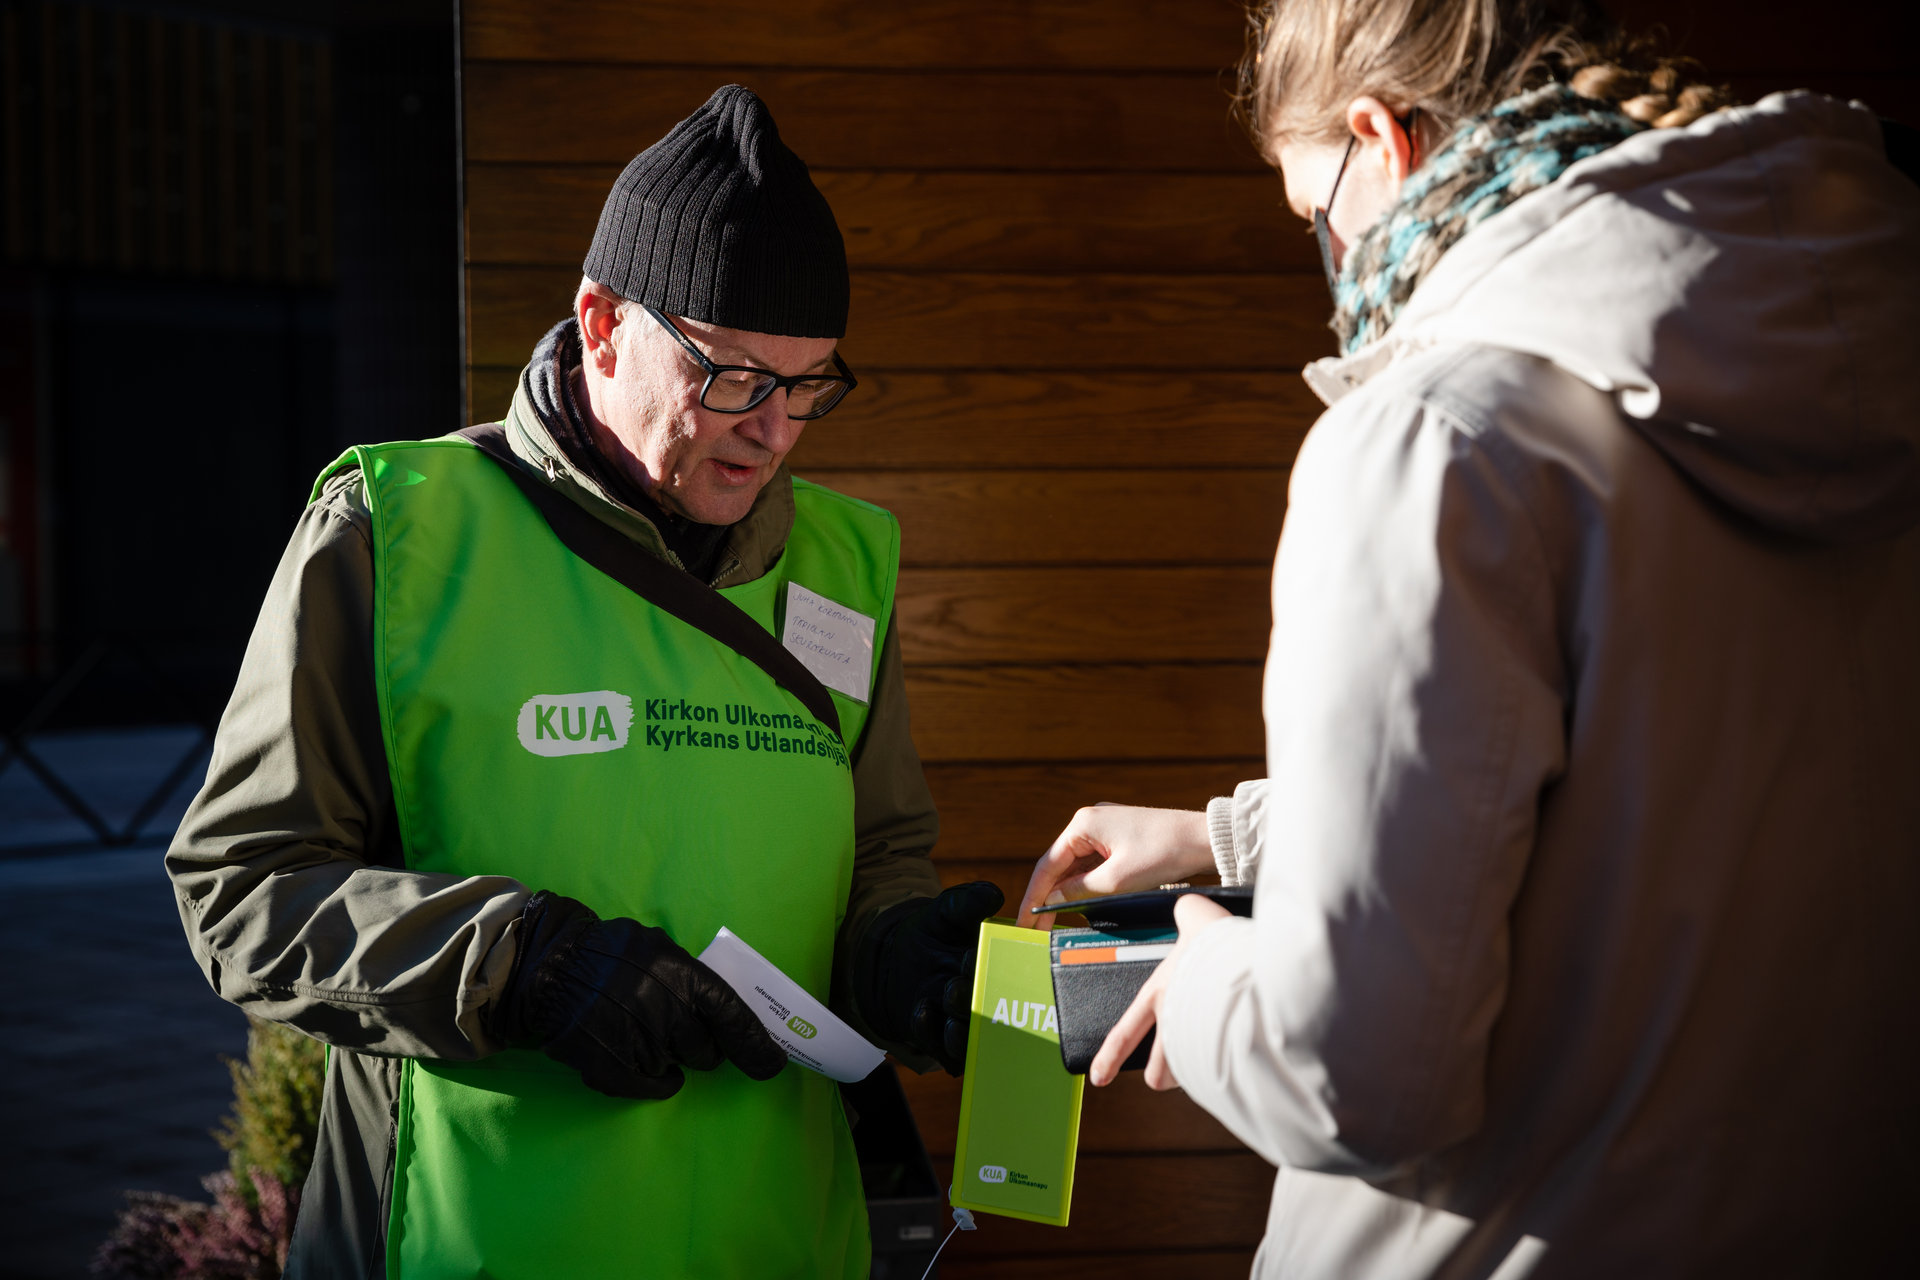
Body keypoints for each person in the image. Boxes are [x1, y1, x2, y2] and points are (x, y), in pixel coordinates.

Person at [1020, 1, 1920, 1275]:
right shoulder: (1864, 377)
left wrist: (1214, 972)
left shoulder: (1433, 443)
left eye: (1310, 216)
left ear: (1383, 138)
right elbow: (1660, 776)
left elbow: (1358, 1078)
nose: (1328, 262)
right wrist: (1231, 838)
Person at [168, 85, 1002, 1279]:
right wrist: (520, 962)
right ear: (603, 322)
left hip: (778, 1234)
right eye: (734, 378)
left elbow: (880, 850)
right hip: (477, 1237)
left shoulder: (844, 566)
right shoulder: (396, 535)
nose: (773, 432)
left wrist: (895, 952)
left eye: (809, 384)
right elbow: (238, 886)